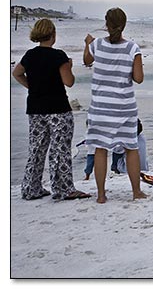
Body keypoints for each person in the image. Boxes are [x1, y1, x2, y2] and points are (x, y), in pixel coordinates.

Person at [12, 18, 90, 200]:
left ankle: (31, 188)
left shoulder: (30, 55)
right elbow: (69, 82)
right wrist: (69, 66)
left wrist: (31, 86)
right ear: (53, 35)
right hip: (57, 108)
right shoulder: (58, 56)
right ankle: (63, 189)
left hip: (35, 108)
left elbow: (16, 73)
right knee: (59, 150)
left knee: (36, 149)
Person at [83, 7, 147, 203]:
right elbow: (138, 79)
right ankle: (136, 191)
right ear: (124, 24)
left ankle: (101, 195)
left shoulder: (97, 45)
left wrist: (87, 44)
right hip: (124, 107)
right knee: (131, 148)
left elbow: (87, 61)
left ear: (106, 24)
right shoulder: (132, 48)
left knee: (100, 149)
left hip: (100, 107)